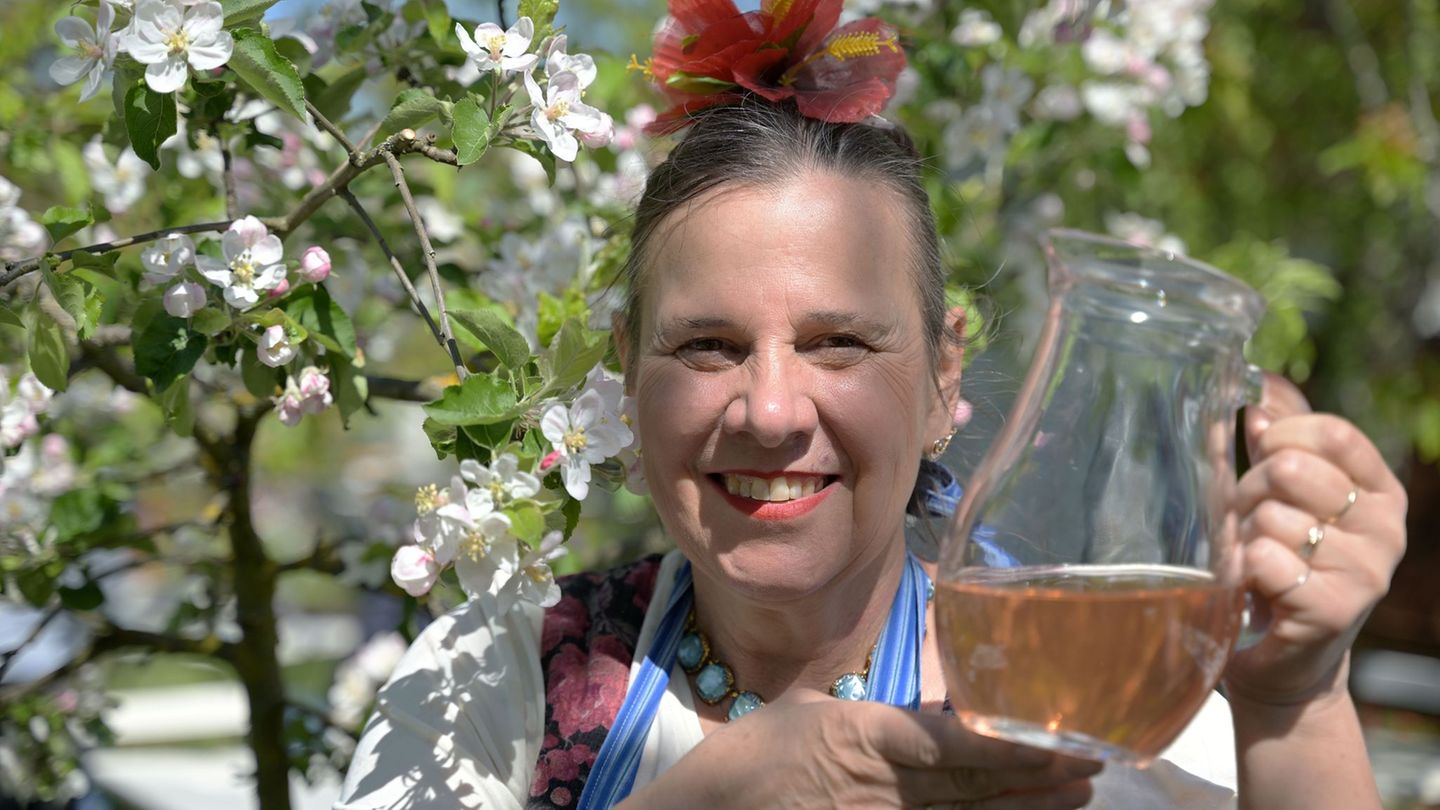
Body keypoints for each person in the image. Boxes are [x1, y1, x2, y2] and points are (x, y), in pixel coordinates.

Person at [336, 4, 1409, 808]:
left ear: (944, 382)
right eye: (707, 345)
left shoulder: (1087, 687)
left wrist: (1295, 708)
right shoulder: (496, 678)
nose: (769, 411)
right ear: (627, 373)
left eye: (838, 343)